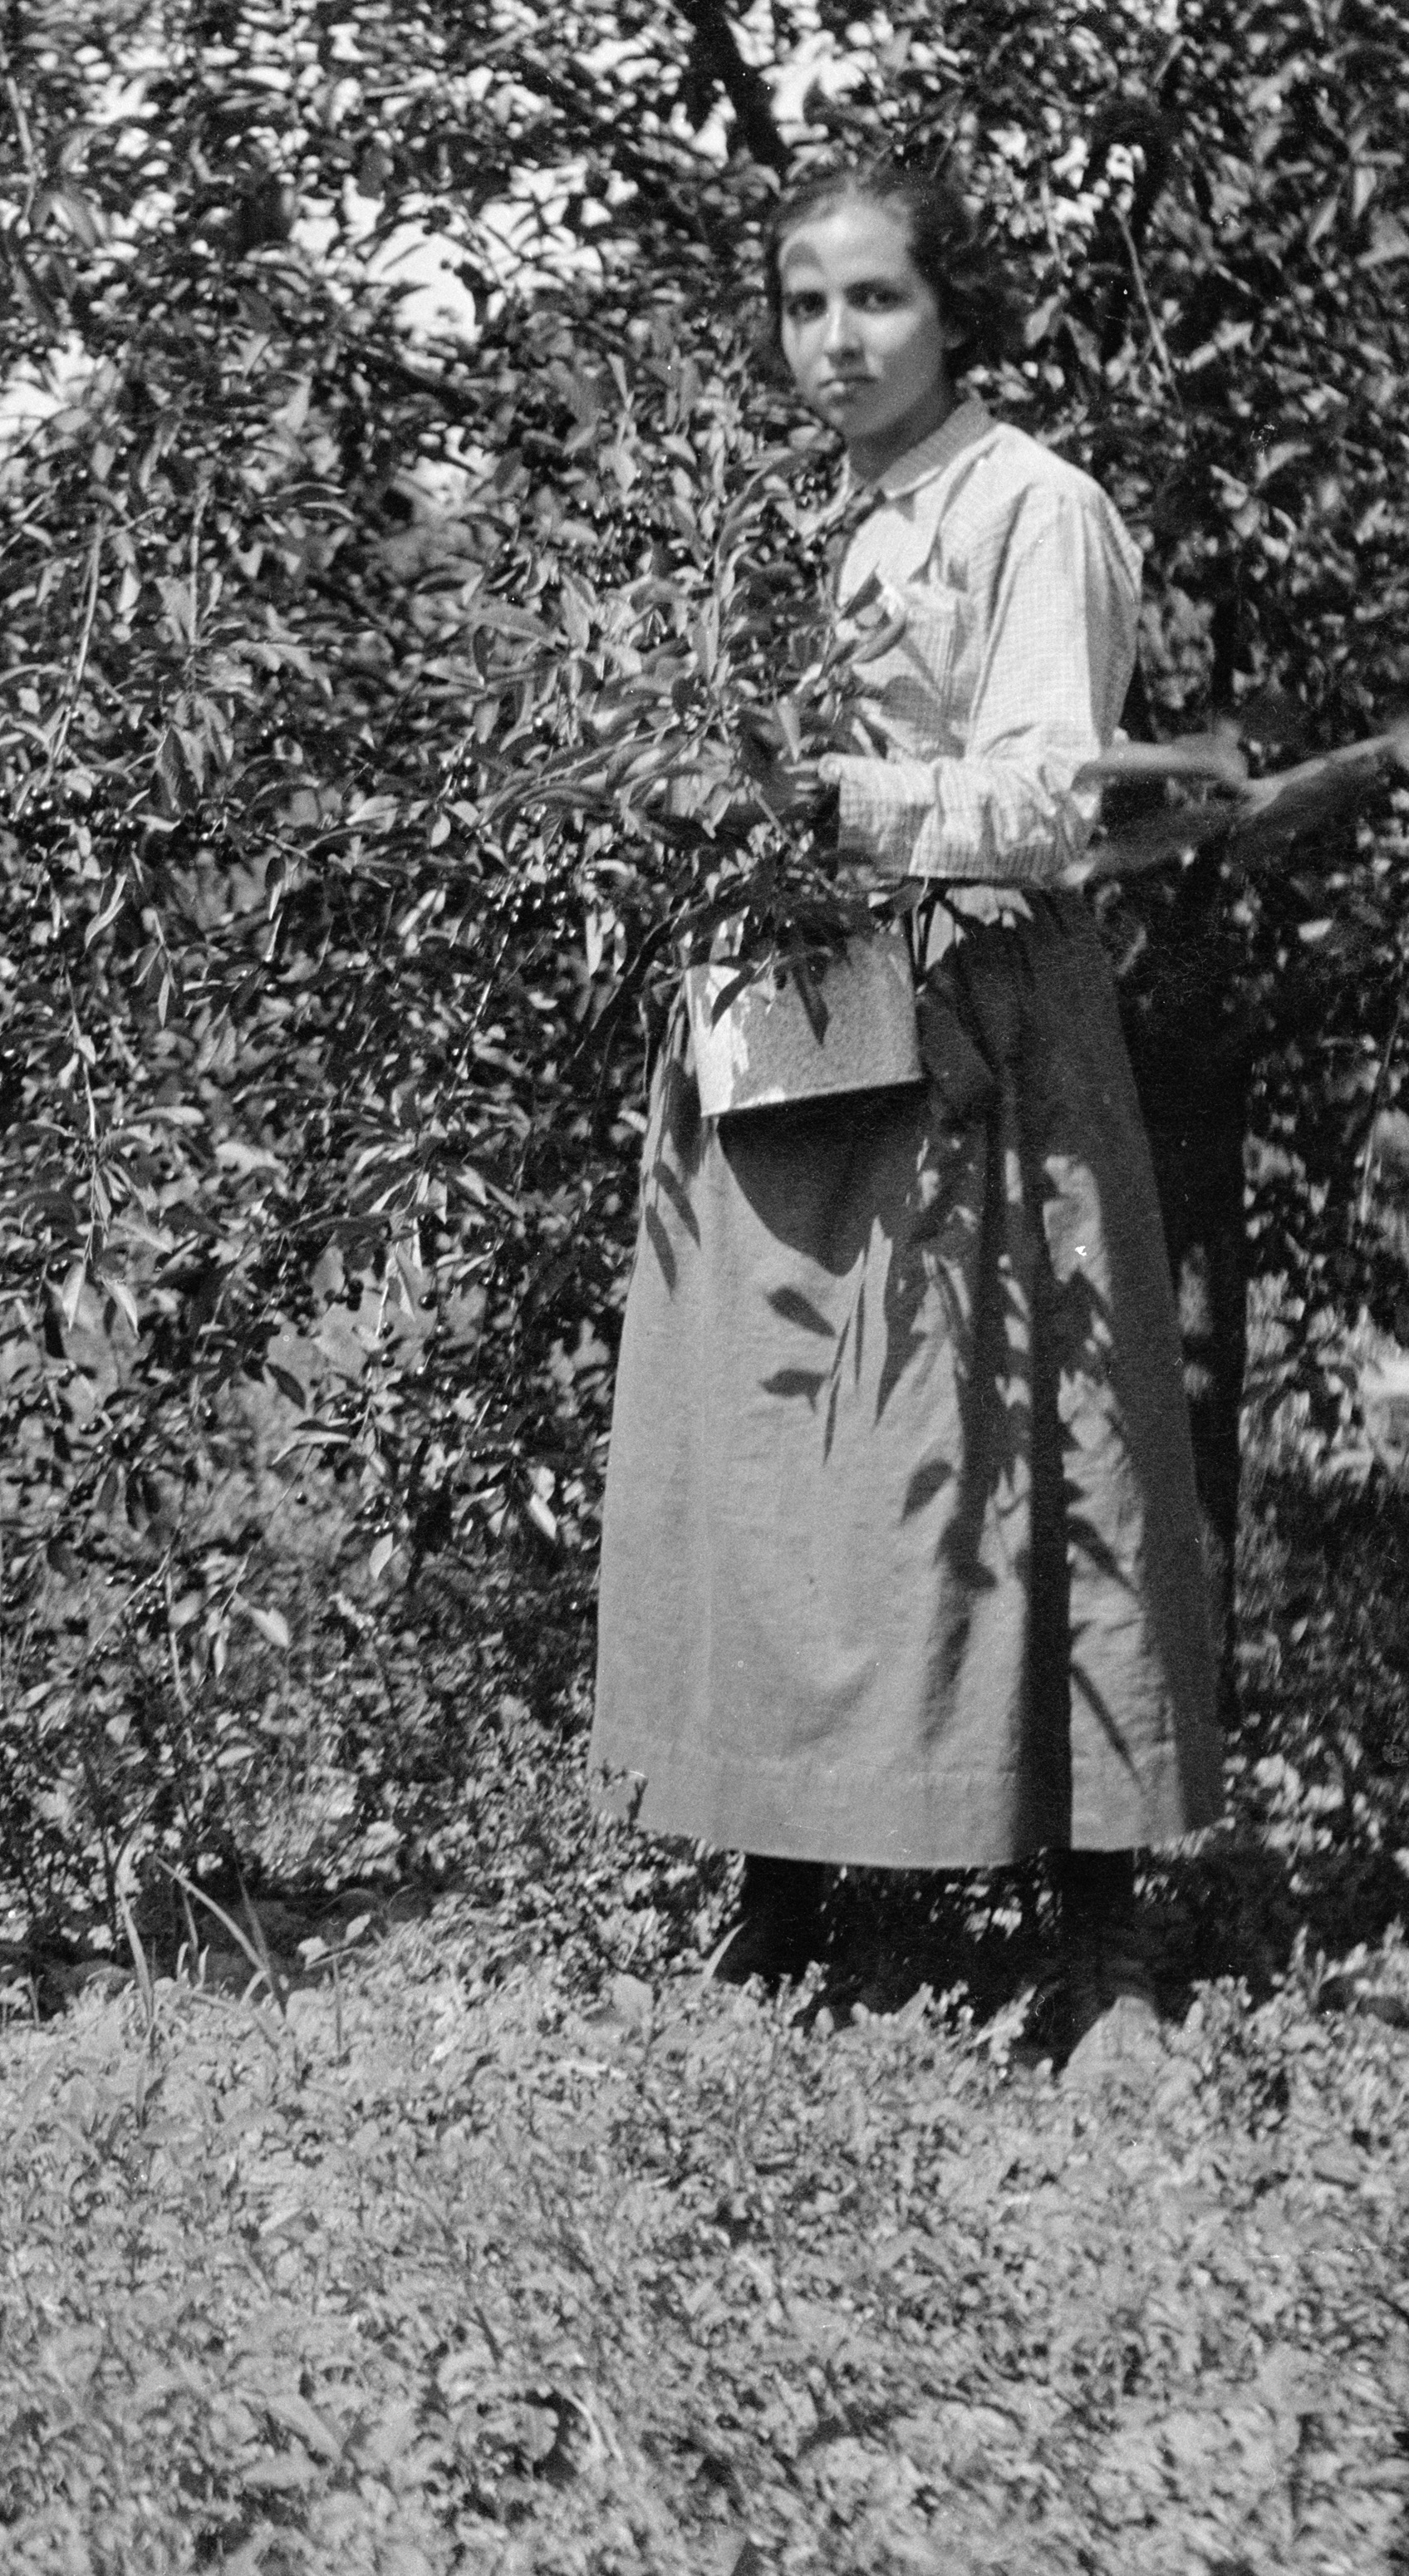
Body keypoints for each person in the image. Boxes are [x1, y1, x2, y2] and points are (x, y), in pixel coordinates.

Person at [589, 160, 1220, 2056]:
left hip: (973, 1028)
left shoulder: (1033, 505)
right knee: (789, 1440)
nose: (833, 338)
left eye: (873, 299)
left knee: (1023, 1433)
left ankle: (1098, 1933)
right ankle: (785, 1893)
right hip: (790, 1035)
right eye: (802, 303)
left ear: (954, 310)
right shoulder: (792, 522)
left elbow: (1050, 802)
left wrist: (830, 803)